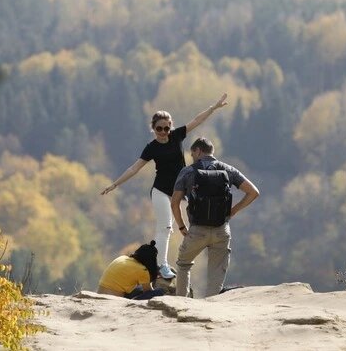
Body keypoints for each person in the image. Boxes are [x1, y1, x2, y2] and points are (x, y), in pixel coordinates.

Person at [100, 94, 228, 280]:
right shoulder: (151, 147)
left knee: (186, 223)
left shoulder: (176, 136)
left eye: (167, 128)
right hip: (160, 190)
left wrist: (213, 108)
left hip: (178, 190)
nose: (163, 132)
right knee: (166, 227)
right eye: (159, 128)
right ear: (153, 128)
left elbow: (196, 121)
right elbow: (135, 168)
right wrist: (115, 184)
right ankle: (162, 266)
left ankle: (179, 260)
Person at [170, 137, 260, 298]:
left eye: (192, 154)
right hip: (221, 230)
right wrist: (233, 211)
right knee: (216, 272)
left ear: (198, 151)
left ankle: (181, 303)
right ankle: (211, 306)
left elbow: (174, 202)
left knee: (183, 264)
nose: (192, 157)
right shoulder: (228, 170)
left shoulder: (188, 171)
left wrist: (182, 226)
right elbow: (253, 192)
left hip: (197, 230)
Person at [97, 240, 166, 300]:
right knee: (160, 291)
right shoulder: (143, 270)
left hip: (100, 293)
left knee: (139, 289)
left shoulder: (123, 257)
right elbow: (148, 291)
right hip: (114, 299)